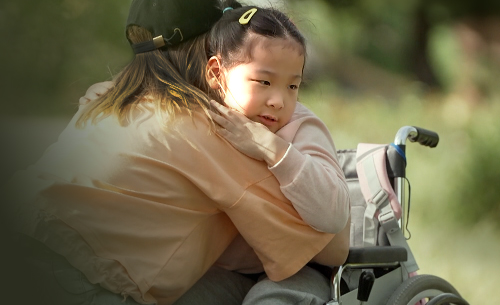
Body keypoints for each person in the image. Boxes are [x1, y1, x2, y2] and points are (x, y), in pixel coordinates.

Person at [1, 1, 349, 305]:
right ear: (214, 60)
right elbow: (330, 246)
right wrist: (293, 119)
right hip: (78, 283)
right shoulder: (209, 130)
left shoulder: (103, 104)